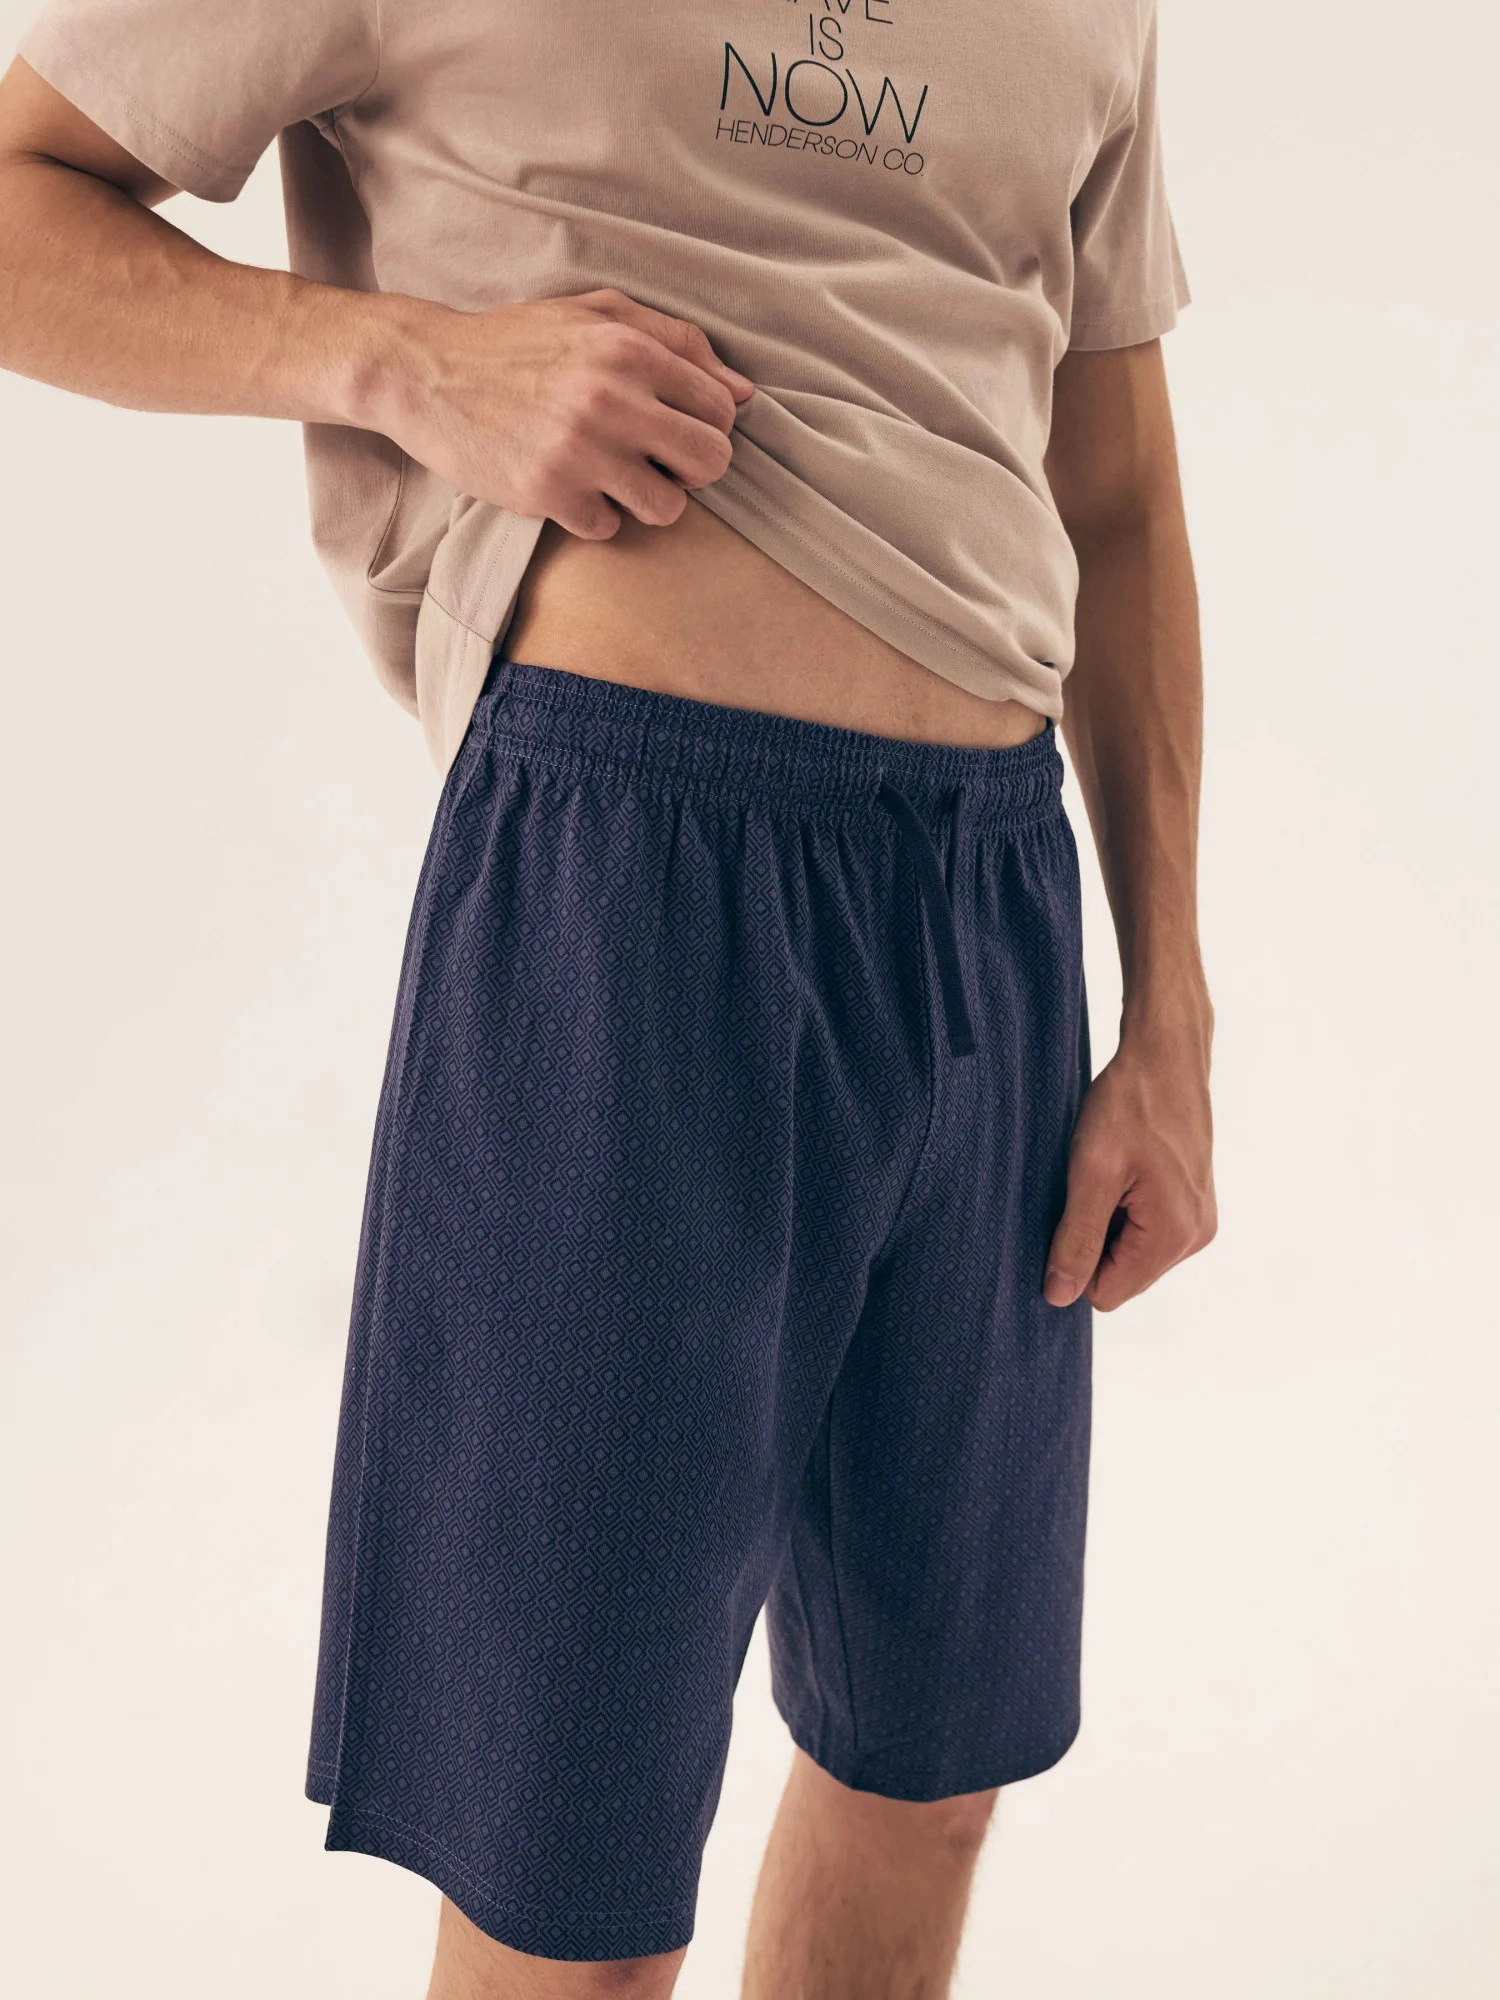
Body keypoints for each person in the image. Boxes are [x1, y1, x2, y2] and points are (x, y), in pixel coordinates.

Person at [0, 0, 1216, 1991]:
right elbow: (17, 198)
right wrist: (405, 363)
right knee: (569, 1884)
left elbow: (1122, 488)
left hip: (996, 898)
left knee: (929, 1769)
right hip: (632, 892)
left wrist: (1171, 1010)